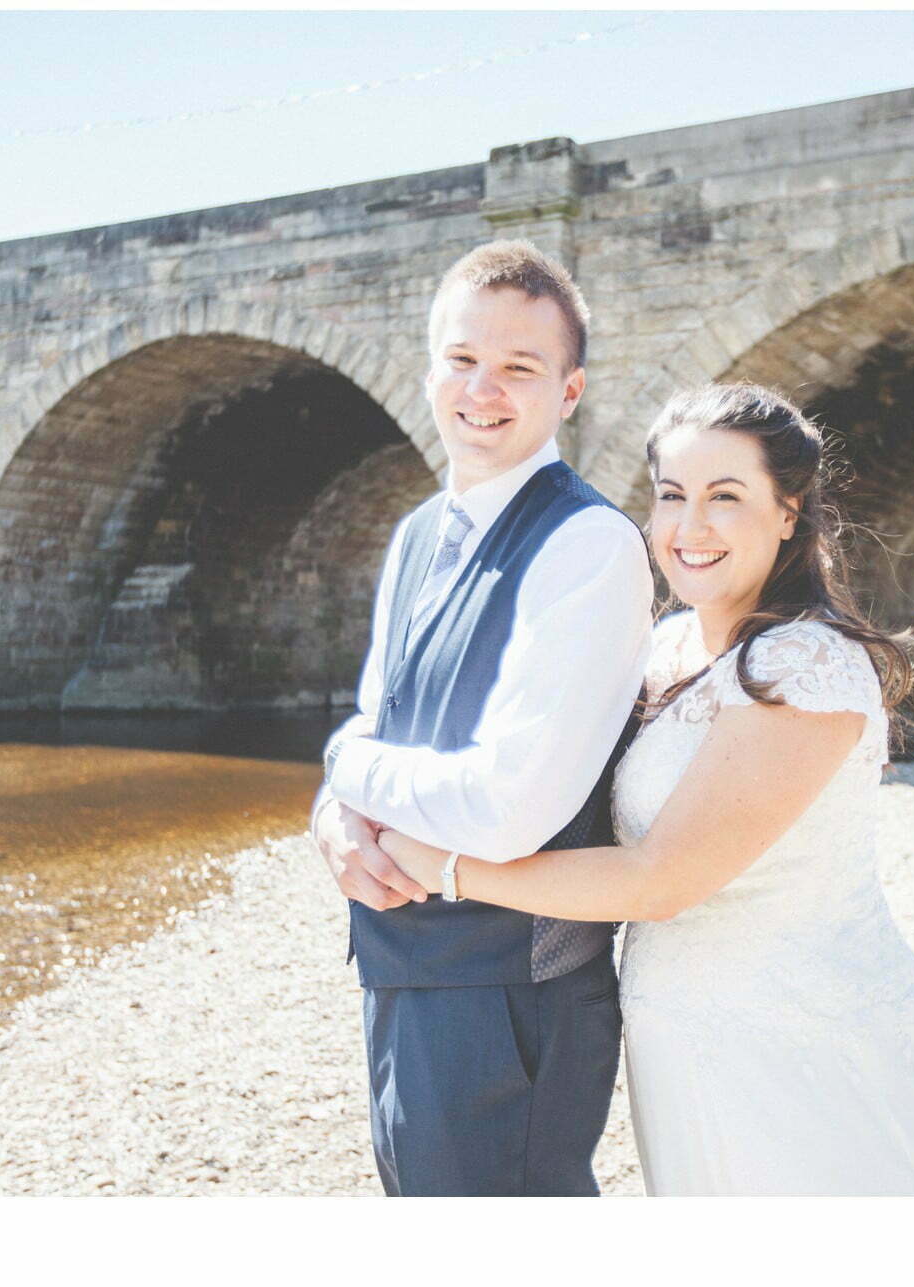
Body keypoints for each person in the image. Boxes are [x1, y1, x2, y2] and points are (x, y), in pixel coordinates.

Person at [377, 383, 914, 1196]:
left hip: (794, 1046)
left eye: (725, 497)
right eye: (672, 496)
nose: (689, 526)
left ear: (788, 512)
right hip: (684, 1041)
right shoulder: (662, 644)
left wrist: (446, 869)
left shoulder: (806, 667)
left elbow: (659, 880)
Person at [310, 241, 652, 1196]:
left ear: (570, 391)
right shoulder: (419, 533)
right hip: (401, 968)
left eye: (519, 367)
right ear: (431, 371)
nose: (483, 388)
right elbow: (376, 720)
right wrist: (333, 821)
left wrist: (346, 771)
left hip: (512, 993)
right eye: (463, 360)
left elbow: (508, 806)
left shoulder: (589, 544)